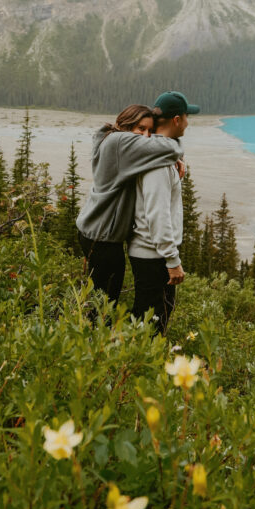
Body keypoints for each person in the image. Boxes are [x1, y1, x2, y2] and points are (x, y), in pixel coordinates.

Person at [76, 104, 184, 305]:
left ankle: (92, 330)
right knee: (105, 302)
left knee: (102, 295)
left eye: (150, 131)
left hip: (97, 232)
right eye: (140, 128)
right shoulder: (118, 142)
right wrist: (176, 154)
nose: (146, 136)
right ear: (124, 126)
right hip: (102, 238)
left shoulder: (119, 145)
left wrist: (176, 159)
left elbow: (158, 152)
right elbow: (170, 147)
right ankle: (93, 334)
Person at [128, 91, 200, 334]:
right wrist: (172, 260)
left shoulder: (161, 156)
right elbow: (157, 214)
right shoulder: (158, 163)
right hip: (152, 256)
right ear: (177, 120)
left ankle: (133, 366)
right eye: (187, 117)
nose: (189, 123)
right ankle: (132, 368)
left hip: (152, 253)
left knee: (154, 318)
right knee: (150, 324)